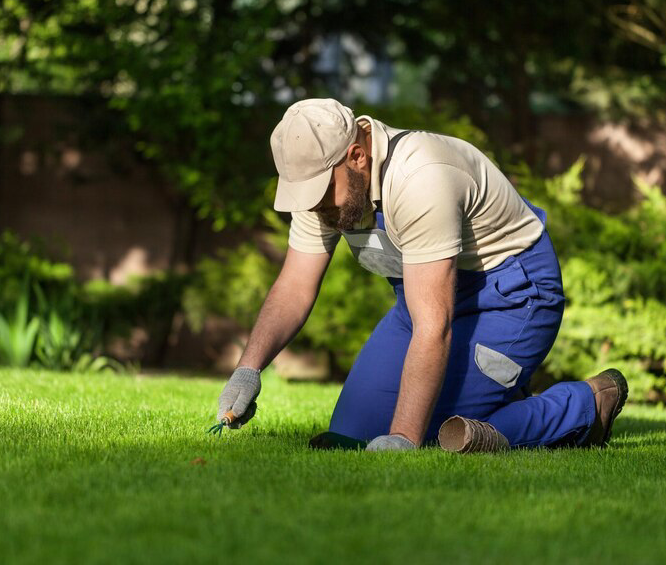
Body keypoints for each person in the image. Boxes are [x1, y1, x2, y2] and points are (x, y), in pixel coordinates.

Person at [215, 98, 627, 452]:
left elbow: (435, 325)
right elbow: (294, 287)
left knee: (433, 430)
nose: (317, 207)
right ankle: (492, 394)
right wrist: (247, 370)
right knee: (352, 434)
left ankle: (585, 406)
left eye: (323, 193)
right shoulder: (327, 193)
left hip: (512, 298)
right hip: (422, 299)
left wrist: (404, 439)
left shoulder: (421, 176)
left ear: (356, 156)